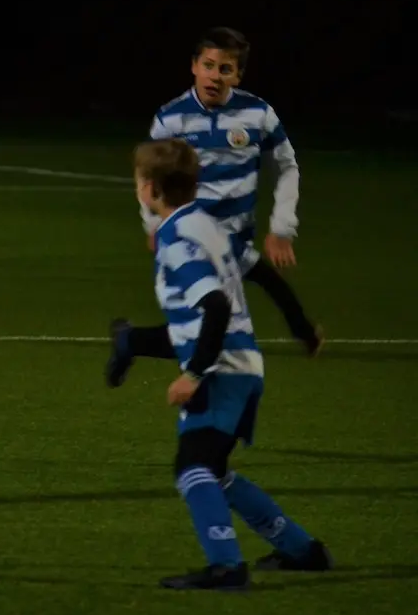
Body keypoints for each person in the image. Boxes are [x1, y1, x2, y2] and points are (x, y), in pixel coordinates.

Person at [125, 138, 333, 590]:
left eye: (139, 181)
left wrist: (193, 374)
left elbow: (215, 306)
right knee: (214, 470)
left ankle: (226, 566)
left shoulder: (176, 238)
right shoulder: (210, 225)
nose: (137, 188)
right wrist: (301, 327)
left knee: (193, 467)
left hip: (221, 371)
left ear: (151, 190)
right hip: (245, 366)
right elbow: (265, 276)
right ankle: (302, 550)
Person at [108, 27, 322, 387]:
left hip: (234, 238)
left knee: (263, 286)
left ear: (238, 75)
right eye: (208, 66)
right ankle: (133, 342)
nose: (215, 76)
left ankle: (304, 333)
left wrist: (282, 227)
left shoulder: (257, 114)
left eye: (225, 69)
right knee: (217, 319)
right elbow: (147, 172)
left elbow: (287, 165)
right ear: (194, 66)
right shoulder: (171, 119)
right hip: (195, 238)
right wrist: (153, 225)